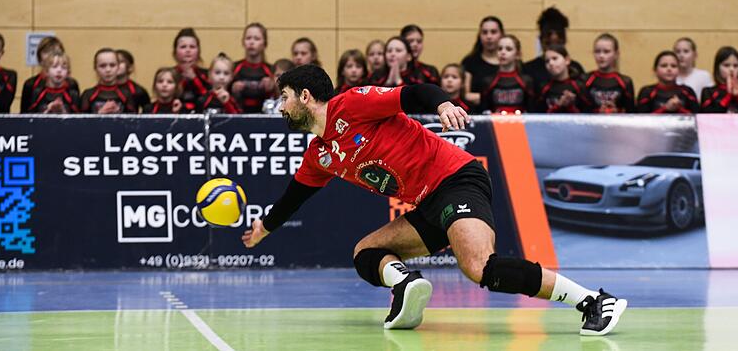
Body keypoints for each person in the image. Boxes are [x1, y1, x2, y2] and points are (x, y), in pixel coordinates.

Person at [242, 64, 627, 335]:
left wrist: (443, 104)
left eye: (284, 97)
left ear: (305, 96)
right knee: (366, 253)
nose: (281, 106)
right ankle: (407, 284)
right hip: (428, 203)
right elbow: (295, 196)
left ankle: (594, 301)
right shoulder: (320, 154)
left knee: (480, 267)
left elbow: (412, 93)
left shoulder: (352, 104)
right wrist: (264, 229)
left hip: (457, 179)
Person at [523, 7, 584, 89]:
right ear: (541, 40)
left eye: (557, 44)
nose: (553, 50)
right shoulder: (528, 70)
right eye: (549, 44)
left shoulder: (576, 68)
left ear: (564, 41)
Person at [20, 36, 80, 113]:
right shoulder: (31, 84)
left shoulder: (71, 85)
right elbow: (24, 115)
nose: (51, 55)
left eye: (55, 51)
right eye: (46, 51)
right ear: (39, 56)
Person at [583, 33, 635, 113]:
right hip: (592, 120)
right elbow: (580, 110)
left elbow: (631, 112)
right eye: (597, 51)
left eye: (606, 52)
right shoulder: (585, 80)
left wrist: (617, 112)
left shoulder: (625, 82)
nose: (601, 56)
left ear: (616, 54)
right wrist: (597, 112)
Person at [483, 34, 535, 114]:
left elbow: (531, 111)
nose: (503, 52)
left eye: (508, 49)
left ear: (517, 54)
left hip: (520, 121)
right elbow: (484, 111)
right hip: (496, 121)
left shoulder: (526, 81)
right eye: (500, 49)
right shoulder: (488, 82)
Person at [461, 16, 503, 106]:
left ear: (501, 35)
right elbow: (466, 95)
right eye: (484, 32)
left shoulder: (510, 62)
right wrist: (496, 98)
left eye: (493, 32)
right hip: (476, 112)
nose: (489, 36)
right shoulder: (470, 62)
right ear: (479, 35)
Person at [536, 44, 591, 113]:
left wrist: (570, 106)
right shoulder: (543, 88)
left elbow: (588, 114)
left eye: (555, 58)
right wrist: (559, 105)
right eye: (547, 61)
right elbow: (538, 115)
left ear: (567, 60)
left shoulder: (579, 86)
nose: (551, 63)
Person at [232, 22, 274, 113]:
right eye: (248, 38)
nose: (251, 42)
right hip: (238, 116)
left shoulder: (271, 70)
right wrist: (232, 89)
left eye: (256, 39)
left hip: (264, 117)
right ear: (243, 42)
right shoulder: (234, 68)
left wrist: (272, 88)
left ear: (265, 44)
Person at [80, 48, 137, 114]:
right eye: (102, 66)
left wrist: (118, 114)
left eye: (112, 65)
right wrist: (100, 114)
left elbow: (133, 119)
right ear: (95, 68)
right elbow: (80, 119)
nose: (108, 70)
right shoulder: (88, 95)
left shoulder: (127, 95)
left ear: (118, 67)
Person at [701, 46, 738, 113]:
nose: (732, 69)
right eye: (726, 65)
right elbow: (708, 114)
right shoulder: (708, 92)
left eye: (735, 66)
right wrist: (729, 95)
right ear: (717, 68)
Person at [173, 28, 211, 113]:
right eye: (183, 47)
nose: (188, 50)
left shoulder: (207, 75)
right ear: (175, 51)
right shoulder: (169, 74)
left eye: (192, 47)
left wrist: (194, 79)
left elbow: (209, 99)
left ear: (198, 51)